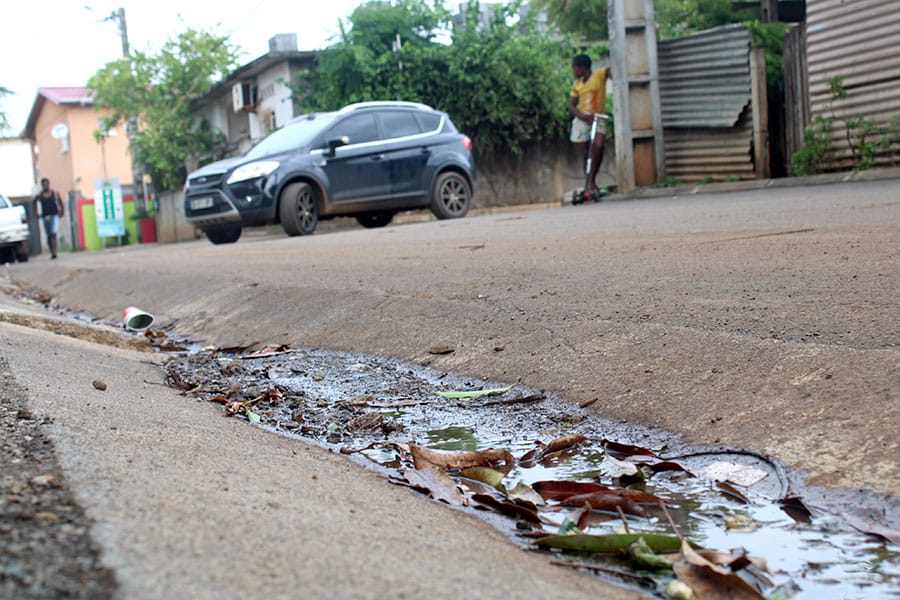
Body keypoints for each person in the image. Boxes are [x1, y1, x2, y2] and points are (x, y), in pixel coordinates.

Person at [568, 54, 611, 193]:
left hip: (599, 117)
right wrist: (583, 117)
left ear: (582, 67)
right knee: (585, 152)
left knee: (598, 146)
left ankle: (592, 179)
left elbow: (611, 71)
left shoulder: (598, 75)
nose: (573, 71)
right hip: (583, 118)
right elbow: (572, 105)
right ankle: (589, 181)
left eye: (574, 68)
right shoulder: (577, 84)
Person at [33, 177, 65, 259]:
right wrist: (36, 212)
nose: (45, 186)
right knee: (48, 235)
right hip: (45, 217)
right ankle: (51, 251)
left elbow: (61, 202)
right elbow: (34, 202)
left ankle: (54, 252)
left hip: (54, 215)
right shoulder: (40, 195)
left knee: (53, 233)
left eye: (46, 184)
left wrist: (62, 211)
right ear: (42, 185)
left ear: (49, 184)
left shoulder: (54, 193)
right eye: (43, 185)